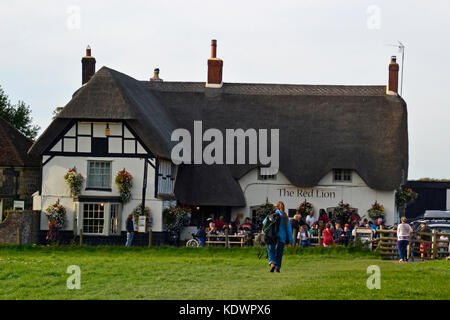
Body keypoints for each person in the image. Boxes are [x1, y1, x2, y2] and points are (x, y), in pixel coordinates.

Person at [262, 201, 293, 273]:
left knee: (271, 250)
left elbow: (263, 222)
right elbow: (289, 229)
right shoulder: (285, 216)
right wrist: (291, 240)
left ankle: (272, 263)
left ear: (277, 207)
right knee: (279, 252)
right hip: (282, 237)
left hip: (272, 235)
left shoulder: (272, 214)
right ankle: (278, 267)